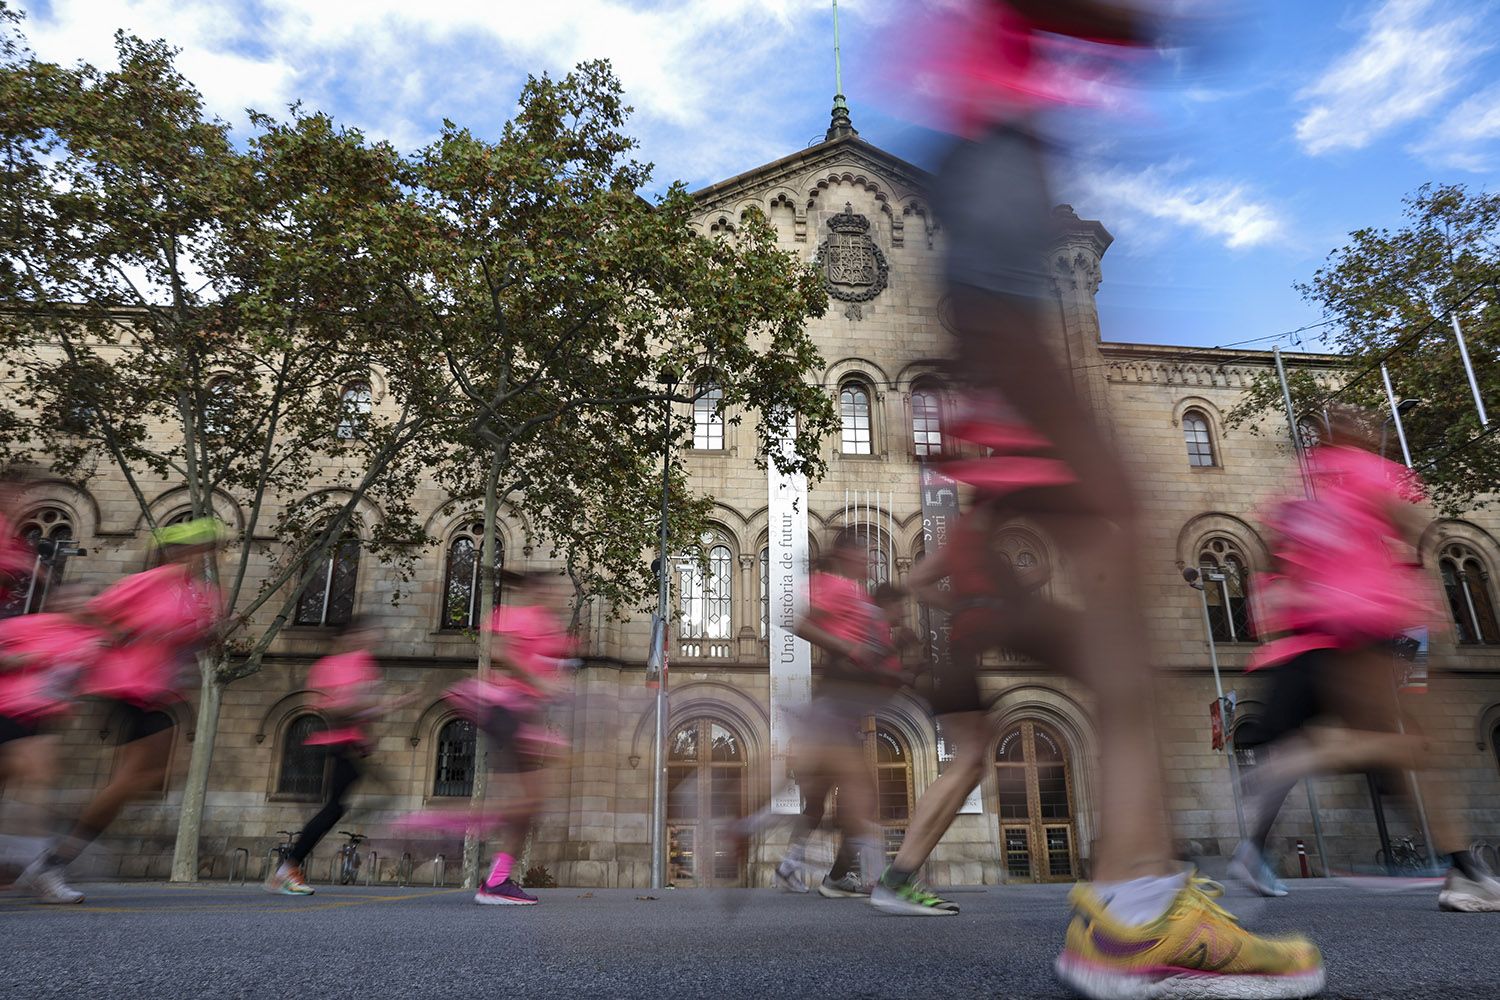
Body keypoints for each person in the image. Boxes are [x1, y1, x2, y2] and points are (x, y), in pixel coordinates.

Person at [892, 3, 1323, 995]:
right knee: (1118, 540)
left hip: (997, 256)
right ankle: (1135, 906)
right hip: (1003, 254)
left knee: (1113, 564)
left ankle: (1134, 892)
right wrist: (1156, 28)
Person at [1230, 405, 1500, 913]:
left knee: (1406, 752)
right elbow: (1414, 528)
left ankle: (1464, 871)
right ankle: (1302, 758)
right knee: (1417, 746)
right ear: (1356, 434)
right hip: (1388, 625)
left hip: (1325, 628)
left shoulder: (1304, 483)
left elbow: (1278, 553)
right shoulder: (1374, 471)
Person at [18, 518, 221, 902]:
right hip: (128, 685)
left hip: (159, 691)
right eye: (197, 548)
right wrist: (132, 635)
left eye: (208, 549)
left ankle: (56, 852)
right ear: (177, 551)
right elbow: (95, 614)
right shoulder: (152, 581)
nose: (202, 556)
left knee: (149, 776)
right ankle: (53, 859)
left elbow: (192, 638)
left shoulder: (201, 593)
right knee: (135, 776)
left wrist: (202, 637)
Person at [775, 536, 904, 899]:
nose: (870, 561)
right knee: (860, 797)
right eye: (865, 554)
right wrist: (850, 648)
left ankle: (796, 868)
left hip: (841, 713)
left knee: (820, 802)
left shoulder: (860, 597)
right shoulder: (837, 587)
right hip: (833, 711)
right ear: (848, 554)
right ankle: (878, 880)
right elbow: (802, 624)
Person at [447, 570, 575, 906]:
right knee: (530, 799)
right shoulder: (517, 616)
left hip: (521, 713)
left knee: (532, 802)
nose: (560, 596)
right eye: (553, 589)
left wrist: (555, 682)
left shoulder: (550, 626)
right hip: (506, 710)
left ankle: (497, 878)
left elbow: (552, 664)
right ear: (536, 590)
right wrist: (539, 681)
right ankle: (480, 856)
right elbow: (504, 654)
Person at [265, 617, 385, 896]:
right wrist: (372, 708)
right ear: (348, 636)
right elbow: (336, 708)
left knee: (336, 806)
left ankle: (288, 868)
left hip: (344, 744)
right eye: (367, 632)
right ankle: (287, 870)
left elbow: (354, 707)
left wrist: (365, 732)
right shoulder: (338, 664)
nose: (373, 638)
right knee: (333, 807)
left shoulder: (359, 662)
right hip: (333, 744)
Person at [0, 587, 105, 896]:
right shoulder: (27, 625)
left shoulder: (88, 641)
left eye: (86, 598)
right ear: (56, 601)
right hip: (6, 707)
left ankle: (38, 868)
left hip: (38, 717)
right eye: (71, 597)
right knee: (33, 785)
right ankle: (32, 865)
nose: (78, 602)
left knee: (37, 784)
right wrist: (18, 659)